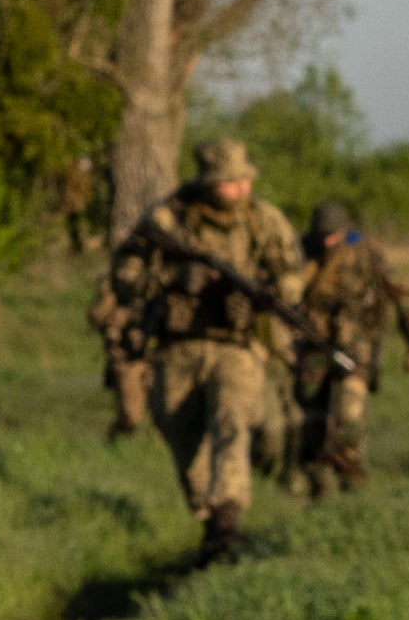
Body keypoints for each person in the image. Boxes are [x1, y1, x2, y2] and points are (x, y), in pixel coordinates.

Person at [91, 137, 308, 550]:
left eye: (244, 180)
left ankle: (228, 515)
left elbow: (293, 275)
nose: (241, 189)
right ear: (208, 183)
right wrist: (173, 279)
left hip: (237, 345)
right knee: (180, 432)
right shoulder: (167, 219)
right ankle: (209, 519)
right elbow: (124, 275)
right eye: (230, 182)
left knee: (232, 422)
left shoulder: (263, 220)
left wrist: (268, 293)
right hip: (176, 348)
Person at [286, 199, 409, 493]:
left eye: (332, 235)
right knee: (309, 424)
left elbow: (402, 296)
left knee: (349, 413)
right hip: (313, 345)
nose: (327, 241)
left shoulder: (366, 254)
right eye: (322, 235)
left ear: (344, 231)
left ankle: (353, 485)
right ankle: (315, 494)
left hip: (357, 343)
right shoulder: (300, 251)